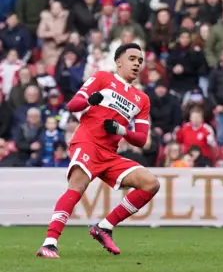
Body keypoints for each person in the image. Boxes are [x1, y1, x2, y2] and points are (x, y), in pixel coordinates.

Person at [36, 43, 161, 259]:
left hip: (110, 154)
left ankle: (104, 227)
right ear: (118, 61)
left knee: (151, 184)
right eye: (132, 58)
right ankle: (50, 243)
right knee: (77, 186)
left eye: (140, 61)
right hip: (88, 142)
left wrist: (122, 130)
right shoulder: (103, 78)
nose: (137, 64)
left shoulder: (142, 99)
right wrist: (89, 100)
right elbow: (73, 105)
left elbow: (140, 139)